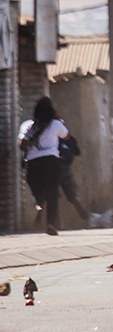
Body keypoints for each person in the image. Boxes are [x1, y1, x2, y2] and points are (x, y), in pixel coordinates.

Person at [18, 97, 69, 235]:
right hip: (51, 162)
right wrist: (58, 119)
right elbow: (66, 136)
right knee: (52, 194)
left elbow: (22, 146)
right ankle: (51, 225)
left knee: (37, 189)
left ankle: (39, 204)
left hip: (33, 162)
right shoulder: (55, 124)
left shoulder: (28, 125)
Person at [57, 134, 94, 227]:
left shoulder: (50, 138)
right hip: (66, 169)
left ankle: (54, 222)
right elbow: (77, 152)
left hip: (54, 169)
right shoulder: (69, 140)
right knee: (71, 191)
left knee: (53, 196)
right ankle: (75, 201)